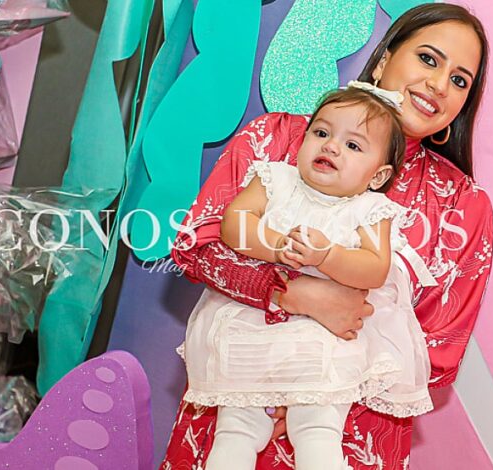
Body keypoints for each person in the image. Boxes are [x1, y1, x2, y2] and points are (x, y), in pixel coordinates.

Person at [163, 4, 493, 469]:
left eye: (460, 80)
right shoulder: (278, 139)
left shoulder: (462, 204)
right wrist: (293, 296)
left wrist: (318, 390)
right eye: (428, 59)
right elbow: (197, 248)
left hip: (352, 429)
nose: (440, 84)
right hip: (236, 399)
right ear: (384, 60)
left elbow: (439, 349)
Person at [181, 85, 435, 470]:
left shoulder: (369, 209)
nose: (331, 146)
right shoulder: (276, 179)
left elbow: (375, 268)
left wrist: (328, 256)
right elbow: (234, 225)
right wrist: (277, 245)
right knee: (235, 429)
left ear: (378, 175)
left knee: (317, 430)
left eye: (353, 145)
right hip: (252, 329)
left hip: (320, 343)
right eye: (321, 132)